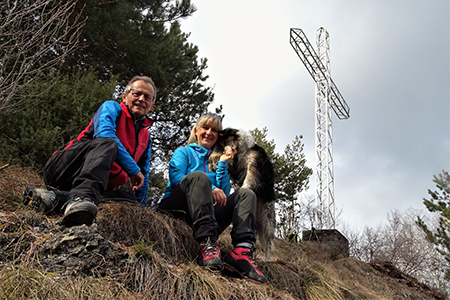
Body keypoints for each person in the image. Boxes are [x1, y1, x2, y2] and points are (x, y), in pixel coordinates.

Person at [23, 76, 157, 227]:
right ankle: (80, 198)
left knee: (130, 201)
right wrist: (132, 170)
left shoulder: (146, 136)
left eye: (147, 97)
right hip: (63, 169)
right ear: (124, 96)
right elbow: (104, 134)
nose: (141, 99)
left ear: (151, 105)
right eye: (137, 93)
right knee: (109, 142)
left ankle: (55, 198)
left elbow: (143, 175)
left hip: (94, 187)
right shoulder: (112, 108)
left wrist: (143, 210)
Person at [158, 114, 267, 284]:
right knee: (199, 177)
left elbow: (223, 195)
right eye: (205, 128)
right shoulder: (184, 152)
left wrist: (223, 162)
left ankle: (241, 253)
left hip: (205, 216)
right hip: (177, 210)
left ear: (218, 136)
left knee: (246, 194)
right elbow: (175, 177)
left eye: (214, 130)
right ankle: (208, 243)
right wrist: (210, 187)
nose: (209, 132)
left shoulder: (216, 162)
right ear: (196, 131)